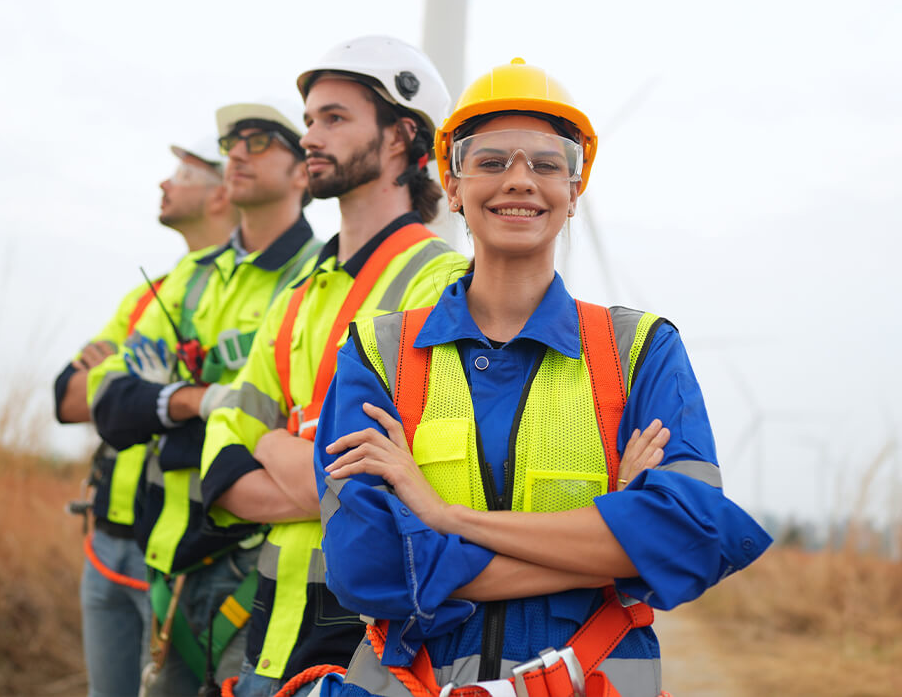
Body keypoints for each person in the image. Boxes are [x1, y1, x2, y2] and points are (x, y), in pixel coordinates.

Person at [314, 58, 772, 697]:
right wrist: (613, 540)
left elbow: (690, 537)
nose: (520, 181)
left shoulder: (640, 351)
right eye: (492, 161)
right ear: (452, 186)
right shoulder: (378, 352)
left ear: (574, 190)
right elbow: (369, 566)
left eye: (546, 163)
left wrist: (445, 517)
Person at [172, 36, 471, 697]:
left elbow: (400, 493)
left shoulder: (444, 287)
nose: (311, 135)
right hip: (266, 633)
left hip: (370, 645)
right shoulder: (297, 292)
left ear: (401, 137)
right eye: (310, 119)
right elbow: (221, 459)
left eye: (334, 118)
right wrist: (313, 470)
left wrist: (276, 441)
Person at [87, 104, 322, 695]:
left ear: (303, 171)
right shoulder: (190, 275)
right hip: (168, 561)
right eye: (231, 140)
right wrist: (202, 401)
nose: (237, 152)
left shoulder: (320, 278)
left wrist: (164, 397)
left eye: (260, 139)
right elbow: (112, 406)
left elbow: (299, 425)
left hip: (259, 567)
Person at [55, 140, 235, 697]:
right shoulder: (148, 295)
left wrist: (133, 384)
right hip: (106, 542)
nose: (164, 183)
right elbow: (70, 397)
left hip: (184, 553)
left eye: (184, 172)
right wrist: (136, 382)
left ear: (223, 193)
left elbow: (234, 401)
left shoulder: (251, 292)